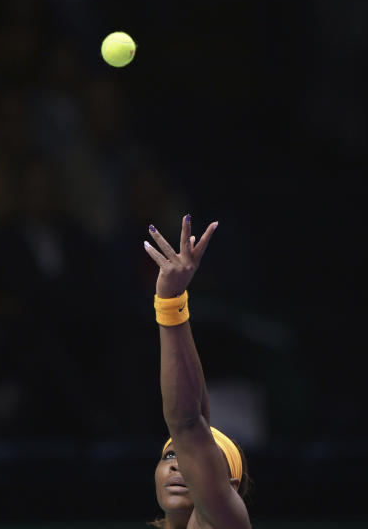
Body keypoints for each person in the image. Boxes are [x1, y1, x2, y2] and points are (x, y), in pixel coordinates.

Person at [143, 215, 252, 529]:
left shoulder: (226, 520)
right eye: (169, 456)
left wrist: (170, 302)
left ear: (229, 487)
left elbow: (189, 423)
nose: (179, 467)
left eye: (199, 456)